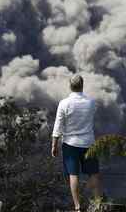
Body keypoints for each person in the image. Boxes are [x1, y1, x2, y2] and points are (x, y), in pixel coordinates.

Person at [52, 74, 104, 212]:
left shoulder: (64, 103)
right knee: (93, 173)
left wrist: (54, 145)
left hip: (70, 144)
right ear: (82, 85)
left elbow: (58, 125)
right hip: (89, 143)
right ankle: (98, 203)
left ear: (70, 86)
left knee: (73, 175)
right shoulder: (92, 103)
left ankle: (77, 206)